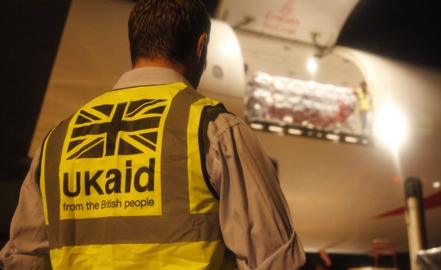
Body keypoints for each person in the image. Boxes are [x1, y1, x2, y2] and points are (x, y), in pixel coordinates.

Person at [0, 0, 305, 269]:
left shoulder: (57, 142)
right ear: (200, 47)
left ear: (135, 46)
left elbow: (24, 259)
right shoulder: (215, 130)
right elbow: (276, 259)